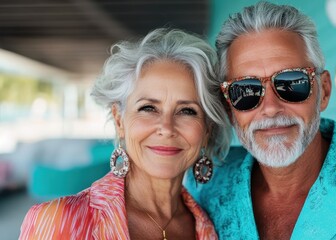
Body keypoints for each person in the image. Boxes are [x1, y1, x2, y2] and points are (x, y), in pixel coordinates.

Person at [184, 2, 336, 239]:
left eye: (291, 83)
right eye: (246, 90)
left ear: (324, 91)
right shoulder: (205, 187)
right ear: (229, 107)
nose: (270, 108)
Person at [19, 28, 231, 240]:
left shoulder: (210, 227)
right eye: (148, 108)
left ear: (207, 129)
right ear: (119, 120)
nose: (166, 128)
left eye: (187, 111)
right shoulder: (56, 222)